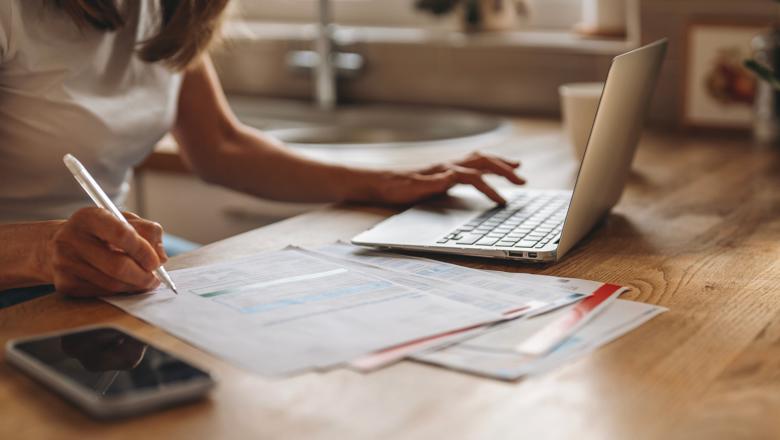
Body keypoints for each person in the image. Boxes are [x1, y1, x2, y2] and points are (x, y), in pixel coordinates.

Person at [0, 0, 524, 297]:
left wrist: (382, 183)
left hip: (105, 269)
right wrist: (44, 251)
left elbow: (222, 146)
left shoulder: (166, 10)